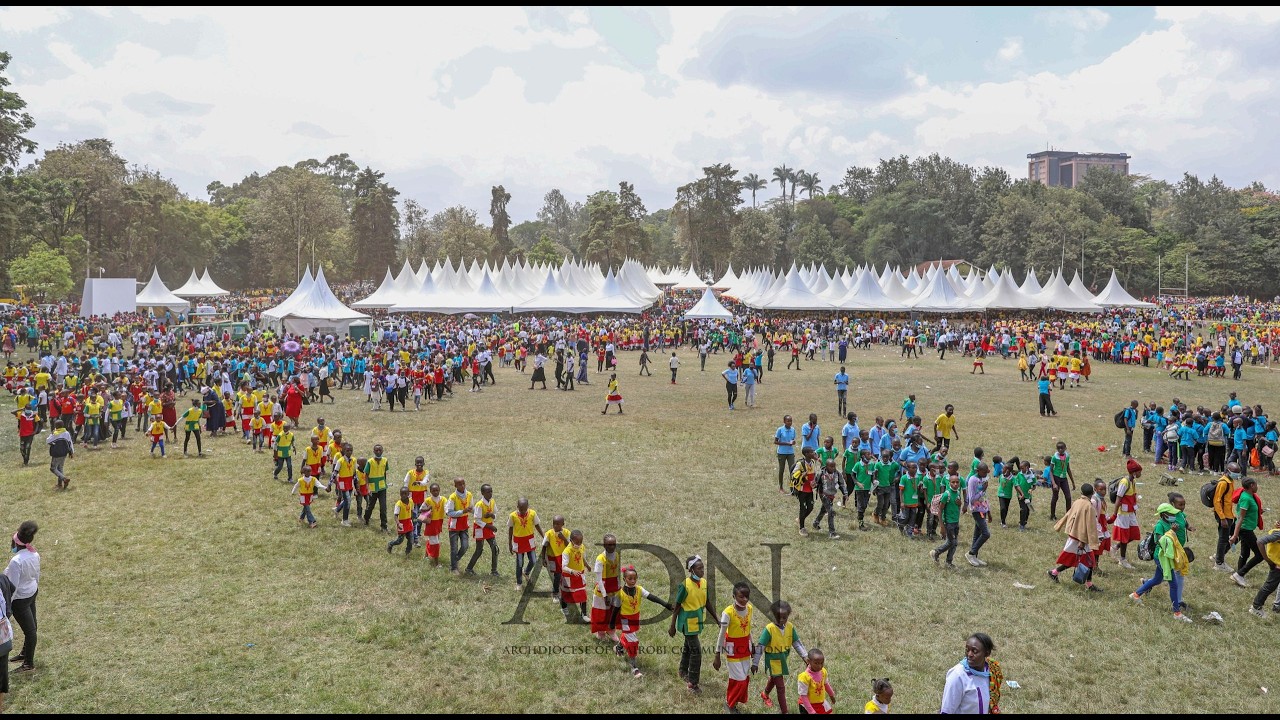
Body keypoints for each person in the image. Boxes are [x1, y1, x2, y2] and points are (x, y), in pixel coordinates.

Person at [1129, 503, 1193, 622]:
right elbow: (1160, 541)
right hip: (1161, 557)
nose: (1174, 515)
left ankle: (1135, 595)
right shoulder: (1159, 525)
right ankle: (1177, 613)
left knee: (1157, 580)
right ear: (1163, 515)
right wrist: (1172, 532)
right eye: (1171, 514)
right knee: (1173, 584)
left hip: (1167, 557)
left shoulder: (1170, 523)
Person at [615, 565, 672, 678]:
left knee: (628, 635)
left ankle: (619, 647)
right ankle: (634, 667)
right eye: (629, 578)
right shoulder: (620, 593)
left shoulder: (639, 590)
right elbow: (615, 609)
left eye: (634, 578)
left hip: (635, 618)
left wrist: (666, 604)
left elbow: (652, 597)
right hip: (625, 619)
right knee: (633, 642)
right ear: (624, 579)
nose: (632, 581)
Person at [753, 599, 807, 713]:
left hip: (783, 659)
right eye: (778, 617)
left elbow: (797, 643)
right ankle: (785, 711)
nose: (782, 620)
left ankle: (765, 694)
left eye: (784, 617)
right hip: (773, 661)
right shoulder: (769, 629)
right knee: (781, 687)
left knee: (774, 678)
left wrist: (805, 656)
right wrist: (755, 663)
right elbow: (760, 647)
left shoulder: (790, 627)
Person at [669, 555, 713, 694]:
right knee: (696, 652)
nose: (702, 571)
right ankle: (692, 683)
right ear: (691, 570)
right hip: (687, 624)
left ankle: (682, 670)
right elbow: (677, 606)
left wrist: (717, 620)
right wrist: (672, 625)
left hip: (697, 622)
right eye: (699, 568)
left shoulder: (704, 583)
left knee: (688, 647)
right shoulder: (685, 585)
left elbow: (707, 602)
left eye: (703, 568)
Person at [1047, 484, 1102, 591]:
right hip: (1081, 538)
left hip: (1074, 535)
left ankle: (1054, 572)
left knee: (1075, 559)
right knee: (1088, 561)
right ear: (1092, 494)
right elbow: (1087, 525)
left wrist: (1059, 525)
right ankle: (1089, 584)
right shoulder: (1089, 507)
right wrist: (1083, 541)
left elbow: (1068, 514)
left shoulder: (1077, 502)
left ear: (1082, 492)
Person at [713, 581, 754, 713]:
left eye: (747, 596)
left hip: (745, 648)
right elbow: (721, 634)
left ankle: (733, 702)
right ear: (734, 596)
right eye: (741, 596)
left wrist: (752, 646)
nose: (745, 599)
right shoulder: (728, 613)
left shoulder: (750, 609)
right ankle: (729, 704)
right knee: (740, 679)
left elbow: (748, 629)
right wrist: (717, 655)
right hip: (732, 649)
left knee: (743, 678)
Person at [5, 521, 39, 675]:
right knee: (32, 627)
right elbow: (36, 575)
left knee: (30, 631)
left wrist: (8, 605)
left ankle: (28, 664)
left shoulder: (16, 561)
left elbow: (12, 586)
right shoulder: (34, 554)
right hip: (32, 592)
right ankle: (25, 654)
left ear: (16, 543)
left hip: (20, 600)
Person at [940, 633, 996, 714]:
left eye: (975, 651)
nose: (969, 654)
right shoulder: (958, 675)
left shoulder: (991, 672)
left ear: (987, 653)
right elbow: (947, 710)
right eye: (967, 650)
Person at [1230, 477, 1264, 588]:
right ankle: (1239, 574)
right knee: (1260, 555)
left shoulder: (1250, 496)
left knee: (1245, 553)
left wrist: (1258, 511)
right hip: (1245, 530)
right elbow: (1240, 517)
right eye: (1256, 484)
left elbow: (1249, 511)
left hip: (1247, 529)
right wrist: (1235, 535)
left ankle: (1239, 576)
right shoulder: (1246, 498)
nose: (1257, 487)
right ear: (1252, 486)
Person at [1112, 458, 1142, 569]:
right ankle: (1122, 560)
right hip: (1123, 513)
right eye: (1139, 472)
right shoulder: (1124, 482)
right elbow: (1118, 499)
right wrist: (1115, 515)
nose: (1140, 474)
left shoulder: (1132, 481)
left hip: (1130, 512)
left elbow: (1133, 497)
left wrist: (1134, 510)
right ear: (1134, 472)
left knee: (1134, 534)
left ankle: (1115, 547)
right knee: (1124, 537)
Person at [930, 474, 965, 569]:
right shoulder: (947, 494)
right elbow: (940, 510)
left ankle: (949, 562)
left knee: (955, 543)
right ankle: (936, 552)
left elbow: (956, 505)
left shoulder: (957, 492)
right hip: (948, 523)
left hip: (955, 522)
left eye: (957, 482)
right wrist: (942, 526)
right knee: (951, 542)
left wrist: (960, 504)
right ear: (949, 483)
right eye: (953, 482)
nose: (955, 484)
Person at [1247, 519, 1280, 617]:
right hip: (1277, 565)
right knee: (1269, 587)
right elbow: (1260, 542)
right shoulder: (1277, 534)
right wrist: (1267, 559)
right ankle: (1256, 607)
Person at [507, 498, 542, 590]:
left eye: (525, 509)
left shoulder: (532, 514)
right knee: (519, 563)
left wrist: (544, 536)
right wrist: (510, 543)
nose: (522, 511)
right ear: (517, 507)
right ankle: (519, 583)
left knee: (533, 560)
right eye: (521, 509)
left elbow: (537, 525)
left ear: (528, 507)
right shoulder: (512, 516)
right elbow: (510, 529)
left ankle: (526, 572)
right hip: (518, 542)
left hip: (529, 541)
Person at [465, 484, 499, 577]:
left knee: (495, 548)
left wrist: (492, 515)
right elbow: (477, 520)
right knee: (479, 550)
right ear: (483, 493)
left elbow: (495, 513)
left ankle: (494, 571)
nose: (490, 493)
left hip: (489, 527)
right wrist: (489, 526)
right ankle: (469, 568)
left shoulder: (492, 501)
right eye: (488, 492)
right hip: (480, 528)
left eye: (491, 491)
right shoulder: (479, 504)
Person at [1212, 463, 1239, 571]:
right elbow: (1217, 501)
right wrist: (1222, 518)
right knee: (1223, 539)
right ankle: (1219, 563)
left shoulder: (1230, 481)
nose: (1237, 475)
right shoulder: (1223, 483)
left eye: (1238, 472)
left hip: (1229, 515)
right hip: (1223, 516)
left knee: (1236, 536)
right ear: (1228, 471)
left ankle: (1219, 555)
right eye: (1235, 472)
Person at [964, 463, 991, 567]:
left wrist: (988, 510)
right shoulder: (973, 480)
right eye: (984, 472)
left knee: (977, 534)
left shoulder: (982, 479)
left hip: (983, 509)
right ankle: (970, 553)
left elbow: (984, 497)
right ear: (978, 471)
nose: (985, 474)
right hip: (976, 510)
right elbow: (972, 499)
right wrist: (983, 490)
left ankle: (974, 556)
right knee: (986, 533)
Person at [445, 478, 473, 574]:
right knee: (454, 547)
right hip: (454, 525)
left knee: (465, 546)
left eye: (463, 484)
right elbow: (449, 512)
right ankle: (454, 568)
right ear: (455, 486)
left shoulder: (469, 495)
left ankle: (455, 560)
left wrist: (473, 511)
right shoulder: (453, 497)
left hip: (464, 524)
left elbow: (472, 507)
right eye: (459, 484)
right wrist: (462, 511)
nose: (462, 486)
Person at [797, 647, 835, 714]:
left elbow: (826, 684)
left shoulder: (823, 671)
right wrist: (811, 711)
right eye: (816, 663)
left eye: (821, 663)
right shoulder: (804, 677)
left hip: (820, 703)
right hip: (807, 705)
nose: (819, 666)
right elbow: (803, 696)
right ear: (808, 661)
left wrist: (831, 695)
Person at [291, 465, 329, 529]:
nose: (309, 473)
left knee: (306, 508)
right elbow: (296, 486)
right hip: (303, 496)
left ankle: (301, 518)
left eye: (310, 471)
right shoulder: (300, 480)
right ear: (304, 472)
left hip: (310, 495)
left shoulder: (313, 479)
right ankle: (312, 522)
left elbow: (319, 485)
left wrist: (325, 488)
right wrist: (293, 492)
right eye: (307, 471)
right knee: (308, 509)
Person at [362, 445, 390, 532]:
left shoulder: (385, 460)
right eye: (376, 450)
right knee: (370, 506)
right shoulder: (370, 462)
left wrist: (385, 483)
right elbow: (366, 475)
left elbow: (384, 473)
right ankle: (366, 519)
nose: (378, 452)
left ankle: (384, 526)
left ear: (382, 451)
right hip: (373, 488)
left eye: (380, 450)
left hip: (382, 488)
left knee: (383, 507)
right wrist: (368, 488)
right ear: (373, 451)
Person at [1047, 441, 1075, 521]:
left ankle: (1068, 515)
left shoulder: (1067, 456)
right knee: (1055, 497)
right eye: (1058, 448)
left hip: (1064, 478)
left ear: (1065, 448)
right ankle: (1052, 515)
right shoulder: (1055, 457)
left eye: (1062, 448)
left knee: (1068, 497)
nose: (1060, 450)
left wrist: (1073, 482)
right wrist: (1054, 483)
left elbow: (1068, 469)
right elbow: (1051, 471)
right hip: (1056, 478)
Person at [386, 487, 415, 555]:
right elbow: (396, 515)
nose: (404, 495)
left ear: (408, 494)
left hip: (409, 522)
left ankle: (408, 552)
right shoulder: (398, 504)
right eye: (402, 494)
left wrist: (412, 519)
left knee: (411, 539)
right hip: (401, 523)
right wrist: (398, 523)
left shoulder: (411, 501)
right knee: (400, 540)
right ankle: (390, 544)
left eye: (405, 493)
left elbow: (412, 511)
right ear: (400, 494)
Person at [45, 420, 73, 490]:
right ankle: (60, 484)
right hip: (64, 453)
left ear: (56, 426)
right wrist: (71, 452)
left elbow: (48, 441)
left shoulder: (55, 434)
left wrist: (52, 433)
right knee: (60, 468)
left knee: (53, 468)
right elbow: (70, 442)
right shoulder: (66, 433)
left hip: (56, 454)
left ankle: (64, 479)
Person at [774, 416, 797, 493]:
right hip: (782, 452)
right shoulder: (780, 430)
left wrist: (793, 442)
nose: (789, 422)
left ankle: (792, 487)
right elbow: (776, 441)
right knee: (782, 469)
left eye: (791, 421)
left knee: (793, 470)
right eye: (788, 421)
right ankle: (781, 487)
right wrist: (786, 443)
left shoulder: (793, 430)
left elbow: (793, 439)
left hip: (790, 452)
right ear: (784, 421)